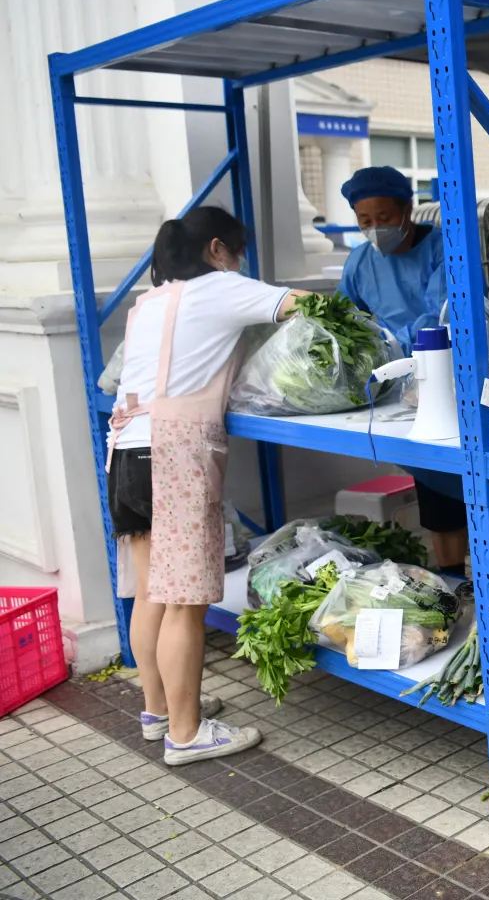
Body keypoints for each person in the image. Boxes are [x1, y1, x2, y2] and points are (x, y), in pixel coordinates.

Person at [108, 207, 309, 763]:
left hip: (127, 451)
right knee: (186, 603)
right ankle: (188, 734)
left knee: (152, 592)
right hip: (174, 455)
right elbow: (307, 306)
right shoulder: (220, 287)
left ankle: (159, 712)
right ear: (218, 249)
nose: (240, 263)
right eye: (238, 252)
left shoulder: (148, 303)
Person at [337, 166, 489, 583]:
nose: (375, 228)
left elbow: (440, 316)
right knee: (439, 505)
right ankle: (457, 590)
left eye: (383, 217)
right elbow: (348, 318)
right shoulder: (359, 261)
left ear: (407, 209)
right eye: (365, 221)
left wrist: (396, 341)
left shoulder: (444, 249)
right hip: (410, 397)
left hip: (468, 382)